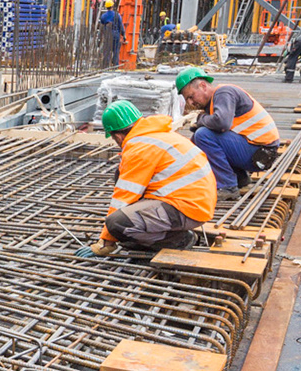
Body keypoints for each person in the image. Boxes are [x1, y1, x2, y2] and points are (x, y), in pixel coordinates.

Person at [86, 100, 216, 256]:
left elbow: (123, 199)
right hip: (194, 201)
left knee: (117, 223)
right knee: (120, 175)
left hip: (187, 207)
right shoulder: (154, 134)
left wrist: (106, 240)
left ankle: (178, 240)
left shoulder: (139, 148)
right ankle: (154, 232)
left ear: (119, 136)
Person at [176, 67, 281, 199]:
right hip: (259, 152)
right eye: (187, 99)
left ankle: (227, 186)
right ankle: (240, 179)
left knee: (203, 135)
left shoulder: (224, 93)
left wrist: (200, 120)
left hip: (261, 153)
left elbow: (221, 123)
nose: (190, 102)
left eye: (191, 96)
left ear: (203, 86)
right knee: (200, 137)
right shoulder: (215, 102)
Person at [98, 0, 123, 66]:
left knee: (107, 51)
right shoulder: (117, 15)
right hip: (116, 35)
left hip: (108, 35)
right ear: (112, 6)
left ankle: (105, 66)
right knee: (116, 51)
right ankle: (115, 65)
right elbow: (120, 26)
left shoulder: (103, 16)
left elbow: (102, 25)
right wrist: (123, 34)